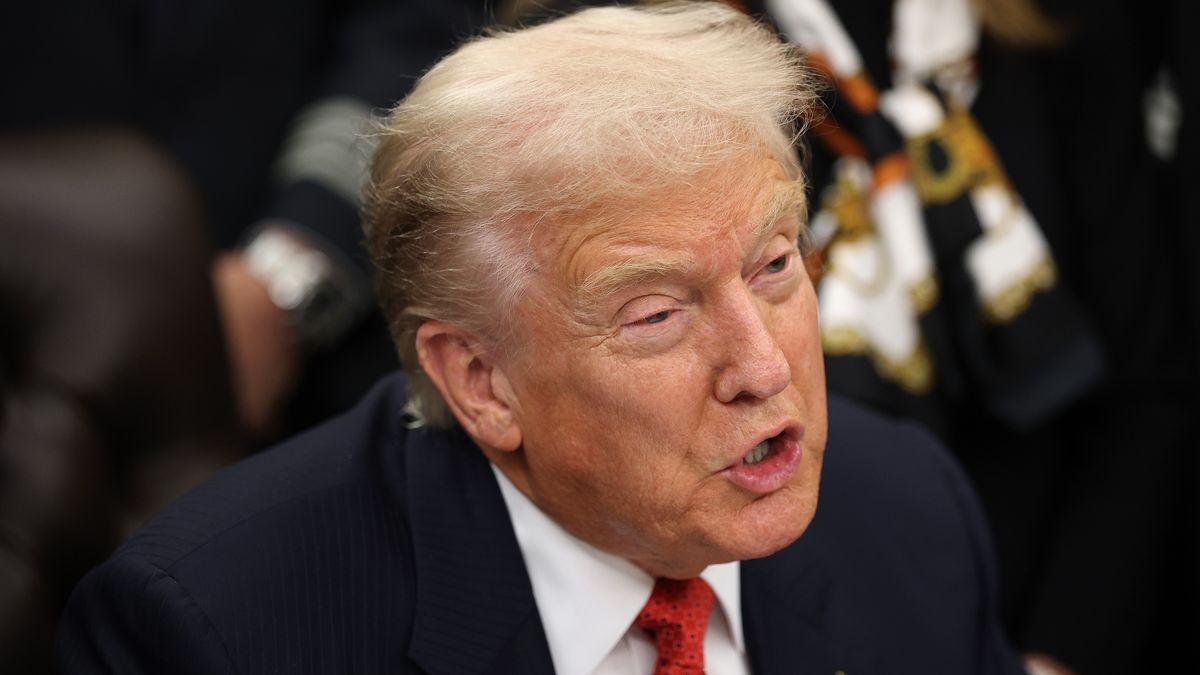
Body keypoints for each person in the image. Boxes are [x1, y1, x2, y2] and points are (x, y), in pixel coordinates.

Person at [56, 3, 1026, 673]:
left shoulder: (910, 516)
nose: (764, 366)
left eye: (774, 267)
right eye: (657, 314)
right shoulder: (215, 632)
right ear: (481, 381)